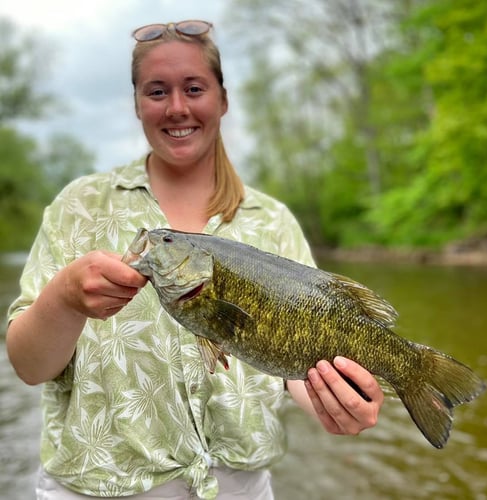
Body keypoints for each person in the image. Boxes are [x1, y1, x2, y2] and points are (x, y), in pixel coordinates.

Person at [6, 20, 384, 500]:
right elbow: (28, 366)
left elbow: (295, 365)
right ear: (138, 104)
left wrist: (341, 405)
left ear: (222, 100)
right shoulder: (78, 206)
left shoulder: (274, 221)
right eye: (157, 91)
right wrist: (64, 298)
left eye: (194, 88)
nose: (177, 107)